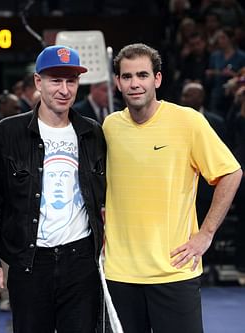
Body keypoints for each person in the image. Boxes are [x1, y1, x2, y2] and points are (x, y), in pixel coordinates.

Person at [103, 43, 243, 333]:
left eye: (142, 75)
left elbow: (231, 172)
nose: (135, 83)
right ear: (117, 82)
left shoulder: (188, 121)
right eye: (127, 77)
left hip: (174, 271)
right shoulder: (109, 127)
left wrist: (206, 234)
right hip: (119, 274)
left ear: (157, 79)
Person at [0, 45, 107, 333]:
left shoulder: (93, 132)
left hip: (81, 264)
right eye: (55, 80)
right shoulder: (7, 132)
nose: (64, 89)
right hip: (29, 265)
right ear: (38, 82)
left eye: (70, 81)